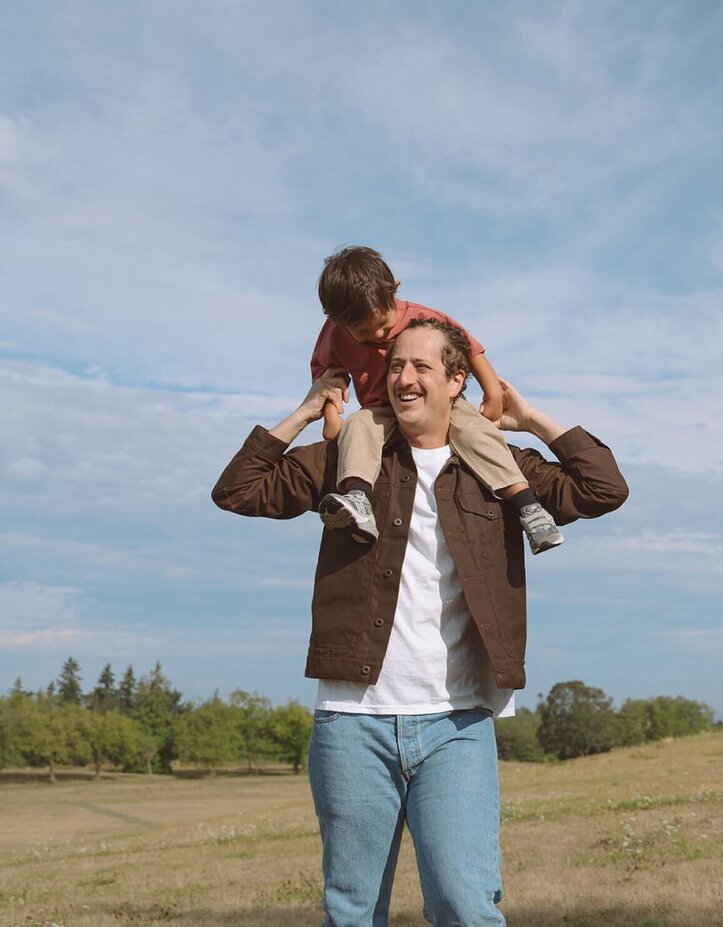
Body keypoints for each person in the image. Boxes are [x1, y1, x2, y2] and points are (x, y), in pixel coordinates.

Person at [212, 318, 628, 926]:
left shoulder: (498, 466)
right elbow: (238, 490)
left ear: (457, 380)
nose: (403, 379)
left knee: (466, 906)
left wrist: (532, 417)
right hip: (353, 721)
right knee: (352, 911)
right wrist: (302, 413)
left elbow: (603, 487)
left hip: (456, 721)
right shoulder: (350, 456)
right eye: (396, 366)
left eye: (421, 368)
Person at [311, 245, 564, 554]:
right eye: (363, 331)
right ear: (334, 319)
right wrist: (331, 414)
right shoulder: (335, 333)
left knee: (476, 431)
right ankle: (359, 499)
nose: (377, 334)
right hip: (381, 409)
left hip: (439, 406)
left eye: (382, 324)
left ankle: (528, 505)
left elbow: (470, 348)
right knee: (359, 425)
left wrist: (493, 392)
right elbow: (327, 373)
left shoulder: (422, 318)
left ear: (395, 292)